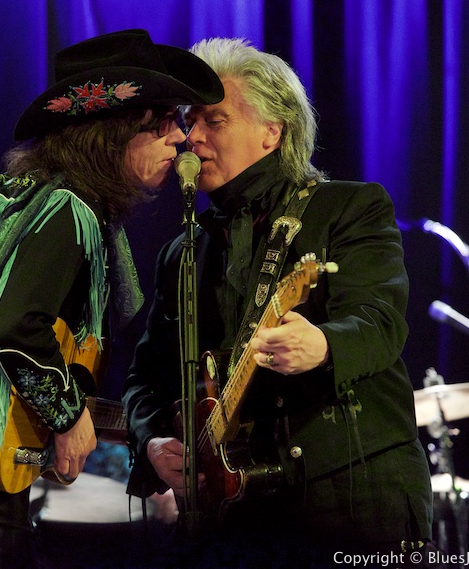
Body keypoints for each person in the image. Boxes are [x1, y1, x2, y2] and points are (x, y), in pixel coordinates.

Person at [0, 29, 224, 568]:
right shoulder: (67, 211)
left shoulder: (23, 193)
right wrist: (69, 418)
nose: (181, 140)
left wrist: (139, 436)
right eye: (163, 124)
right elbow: (16, 327)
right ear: (114, 132)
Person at [122, 37, 433, 566]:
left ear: (273, 131)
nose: (189, 137)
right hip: (238, 512)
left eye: (213, 120)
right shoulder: (184, 251)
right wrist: (153, 442)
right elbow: (146, 379)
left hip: (353, 496)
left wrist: (324, 345)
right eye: (188, 121)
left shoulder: (349, 207)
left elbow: (380, 322)